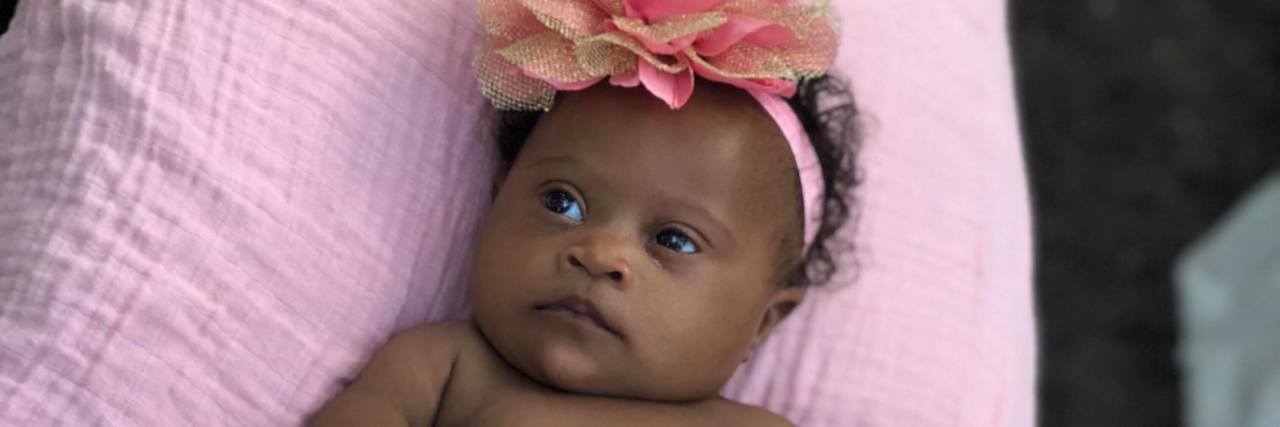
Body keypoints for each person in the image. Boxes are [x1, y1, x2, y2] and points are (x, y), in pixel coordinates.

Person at [311, 0, 860, 424]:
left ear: (761, 323)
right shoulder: (443, 368)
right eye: (561, 203)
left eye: (674, 240)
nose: (600, 255)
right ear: (498, 199)